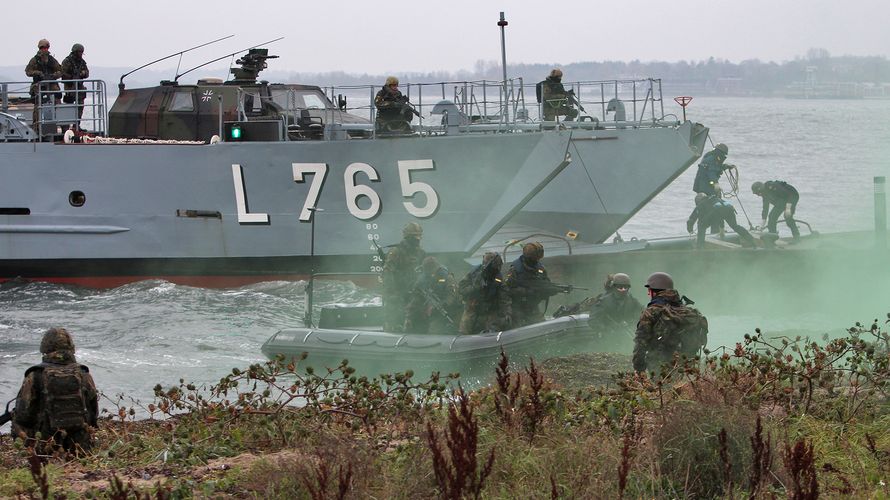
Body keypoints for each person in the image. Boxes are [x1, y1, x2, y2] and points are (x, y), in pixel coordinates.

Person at [11, 327, 98, 454]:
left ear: (45, 348)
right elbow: (93, 413)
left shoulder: (35, 375)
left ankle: (32, 456)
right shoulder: (84, 374)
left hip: (46, 444)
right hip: (79, 445)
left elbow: (23, 415)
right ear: (71, 349)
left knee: (16, 423)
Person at [632, 272, 708, 374]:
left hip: (659, 366)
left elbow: (641, 342)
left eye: (649, 291)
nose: (648, 294)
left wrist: (639, 368)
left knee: (663, 388)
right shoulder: (686, 311)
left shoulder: (651, 311)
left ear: (653, 291)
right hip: (686, 365)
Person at [504, 242, 566, 327]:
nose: (537, 260)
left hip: (532, 307)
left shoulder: (540, 268)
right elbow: (507, 290)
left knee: (542, 326)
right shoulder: (515, 269)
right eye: (535, 258)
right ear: (529, 257)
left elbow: (546, 284)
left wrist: (552, 290)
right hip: (518, 308)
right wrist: (527, 291)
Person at [382, 222, 426, 332]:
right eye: (414, 238)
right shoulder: (396, 252)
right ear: (407, 237)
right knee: (394, 323)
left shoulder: (421, 253)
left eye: (418, 237)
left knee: (415, 322)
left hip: (413, 292)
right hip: (398, 292)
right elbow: (388, 273)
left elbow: (423, 272)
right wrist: (392, 292)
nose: (417, 241)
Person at [457, 252, 512, 334]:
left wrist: (507, 314)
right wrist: (474, 288)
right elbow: (461, 288)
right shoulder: (474, 273)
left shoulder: (498, 279)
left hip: (489, 311)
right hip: (472, 309)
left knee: (493, 332)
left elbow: (504, 299)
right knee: (464, 331)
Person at [404, 256, 461, 334]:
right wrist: (409, 315)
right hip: (428, 309)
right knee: (412, 324)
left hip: (447, 310)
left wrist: (442, 305)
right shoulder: (423, 279)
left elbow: (452, 295)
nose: (428, 272)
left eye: (429, 269)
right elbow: (416, 296)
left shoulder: (447, 277)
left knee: (434, 330)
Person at [687, 193, 756, 248]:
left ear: (698, 201)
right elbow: (720, 215)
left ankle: (700, 247)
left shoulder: (701, 204)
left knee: (701, 226)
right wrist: (722, 230)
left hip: (718, 211)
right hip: (729, 208)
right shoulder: (715, 199)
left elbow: (692, 219)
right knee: (735, 226)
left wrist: (690, 230)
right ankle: (751, 240)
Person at [587, 273, 643, 337]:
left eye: (626, 287)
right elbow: (593, 321)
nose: (623, 289)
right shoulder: (604, 301)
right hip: (608, 338)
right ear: (614, 287)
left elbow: (642, 313)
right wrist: (608, 329)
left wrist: (632, 324)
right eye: (620, 287)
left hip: (626, 335)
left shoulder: (631, 299)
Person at [25, 39, 62, 133]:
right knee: (38, 106)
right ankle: (36, 127)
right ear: (40, 48)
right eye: (43, 48)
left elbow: (60, 71)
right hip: (39, 85)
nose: (45, 49)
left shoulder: (51, 60)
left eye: (46, 47)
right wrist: (37, 73)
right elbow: (28, 71)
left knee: (57, 102)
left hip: (51, 84)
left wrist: (54, 75)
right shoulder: (34, 60)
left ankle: (63, 126)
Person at [61, 43, 90, 122]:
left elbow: (87, 73)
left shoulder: (82, 62)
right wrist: (71, 77)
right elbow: (62, 73)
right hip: (69, 87)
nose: (81, 54)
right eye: (79, 52)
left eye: (81, 52)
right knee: (68, 107)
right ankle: (66, 126)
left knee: (80, 106)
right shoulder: (67, 61)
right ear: (75, 52)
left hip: (79, 87)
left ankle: (77, 125)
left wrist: (83, 73)